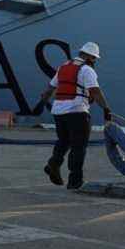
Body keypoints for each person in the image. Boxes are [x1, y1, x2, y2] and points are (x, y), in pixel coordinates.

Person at [39, 41, 112, 190]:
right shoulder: (87, 70)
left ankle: (53, 163)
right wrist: (106, 108)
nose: (95, 61)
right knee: (79, 146)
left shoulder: (63, 67)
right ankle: (75, 180)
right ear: (90, 57)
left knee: (63, 141)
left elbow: (49, 88)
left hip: (58, 111)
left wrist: (44, 101)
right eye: (95, 58)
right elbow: (95, 91)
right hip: (77, 111)